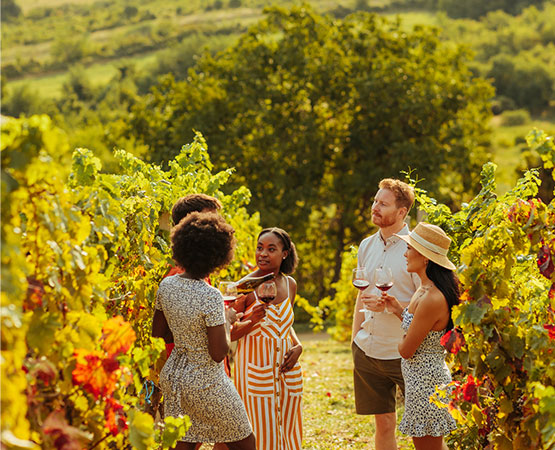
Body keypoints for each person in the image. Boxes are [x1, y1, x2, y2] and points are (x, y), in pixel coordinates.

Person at [152, 212, 256, 450]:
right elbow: (218, 353)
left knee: (184, 441)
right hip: (206, 381)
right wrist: (228, 320)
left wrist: (186, 332)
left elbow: (159, 334)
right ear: (218, 256)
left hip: (174, 376)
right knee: (245, 441)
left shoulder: (166, 285)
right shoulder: (211, 295)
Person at [351, 178, 419, 450]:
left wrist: (391, 305)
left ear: (402, 212)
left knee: (421, 428)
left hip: (403, 352)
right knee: (384, 424)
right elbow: (360, 293)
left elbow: (424, 300)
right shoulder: (366, 245)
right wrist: (354, 338)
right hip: (369, 350)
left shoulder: (416, 248)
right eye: (375, 201)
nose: (375, 207)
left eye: (383, 203)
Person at [382, 222, 459, 450]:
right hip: (421, 382)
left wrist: (397, 342)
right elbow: (420, 327)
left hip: (427, 383)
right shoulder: (424, 289)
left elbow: (407, 349)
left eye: (409, 249)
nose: (405, 254)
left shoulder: (431, 297)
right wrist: (398, 310)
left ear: (425, 257)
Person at [231, 228, 303, 450]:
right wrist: (251, 320)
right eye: (260, 248)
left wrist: (299, 346)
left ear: (284, 253)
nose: (263, 253)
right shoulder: (244, 286)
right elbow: (227, 333)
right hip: (255, 372)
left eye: (271, 249)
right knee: (259, 434)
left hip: (287, 372)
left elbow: (284, 326)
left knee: (289, 431)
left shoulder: (290, 284)